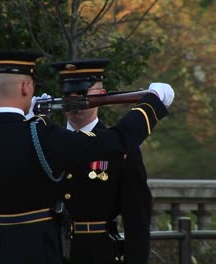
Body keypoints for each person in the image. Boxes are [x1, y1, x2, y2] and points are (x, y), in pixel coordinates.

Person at [0, 50, 174, 264]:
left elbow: (137, 219)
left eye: (82, 94)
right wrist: (152, 103)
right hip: (37, 248)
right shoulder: (45, 137)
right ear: (26, 88)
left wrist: (30, 120)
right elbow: (115, 142)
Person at [51, 59, 174, 264]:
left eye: (82, 94)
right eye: (67, 96)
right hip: (51, 250)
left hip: (98, 252)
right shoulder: (47, 141)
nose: (73, 103)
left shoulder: (121, 148)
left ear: (102, 95)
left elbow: (137, 218)